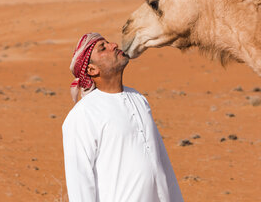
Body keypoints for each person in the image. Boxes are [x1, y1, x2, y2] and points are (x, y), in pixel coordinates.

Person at [62, 32, 184, 202]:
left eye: (109, 43)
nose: (114, 45)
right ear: (92, 70)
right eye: (102, 48)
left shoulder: (138, 98)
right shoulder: (83, 114)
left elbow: (162, 161)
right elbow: (80, 181)